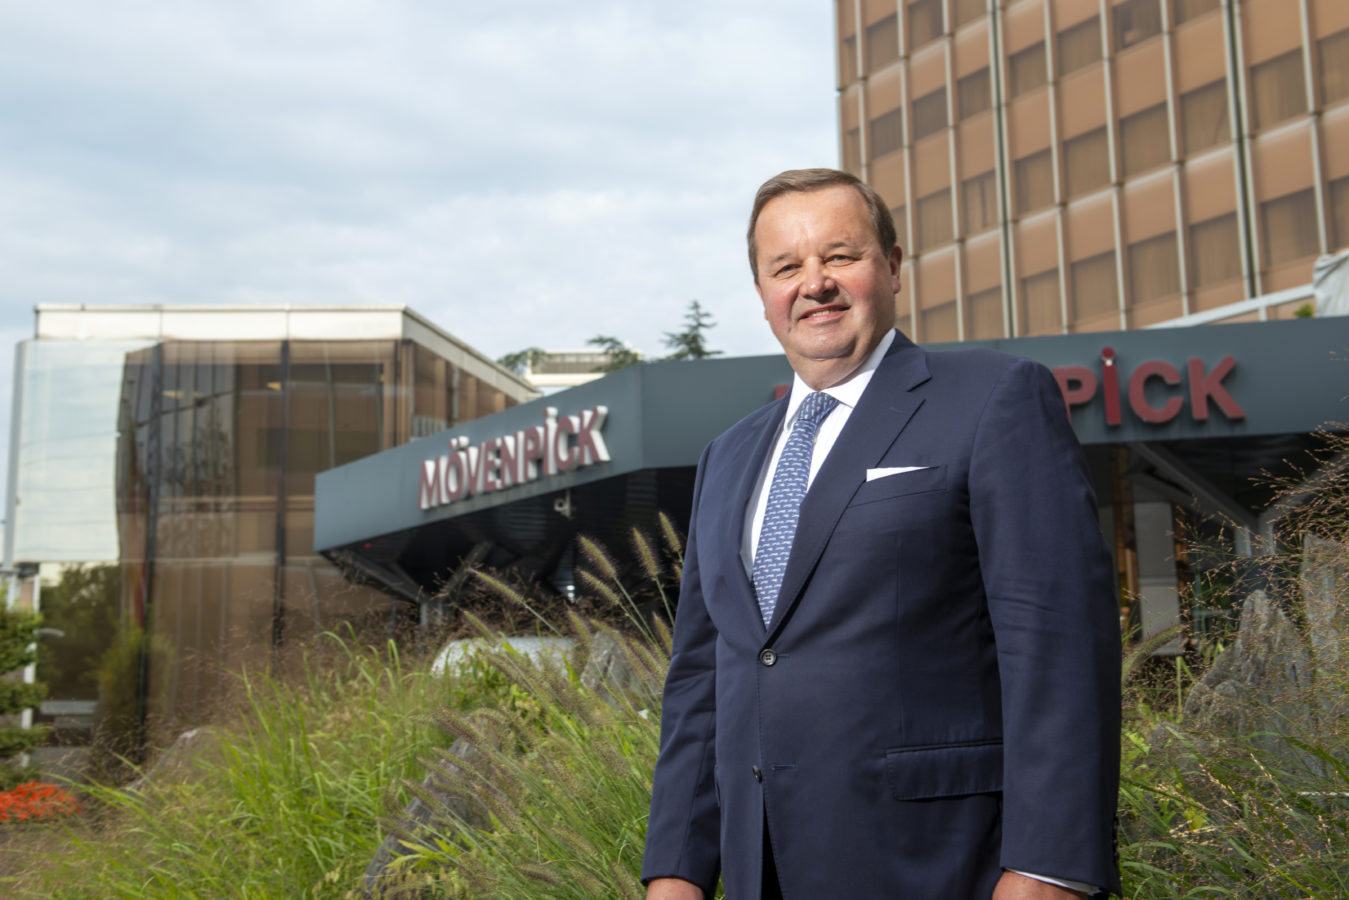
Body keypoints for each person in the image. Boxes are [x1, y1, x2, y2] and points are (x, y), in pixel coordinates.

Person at [641, 169, 1121, 899]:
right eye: (786, 267)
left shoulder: (994, 400)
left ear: (892, 266)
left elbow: (1057, 648)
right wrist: (675, 872)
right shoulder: (727, 456)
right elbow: (703, 680)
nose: (814, 283)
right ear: (764, 295)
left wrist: (1047, 870)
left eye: (840, 255)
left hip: (939, 866)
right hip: (756, 870)